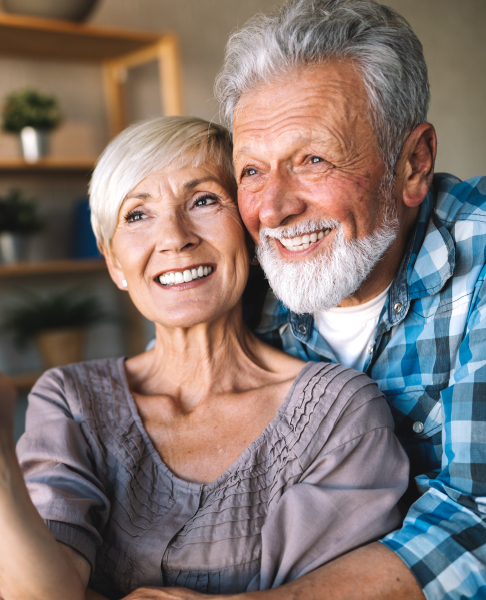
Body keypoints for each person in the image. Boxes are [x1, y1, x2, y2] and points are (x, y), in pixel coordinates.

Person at [0, 116, 409, 600]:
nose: (175, 237)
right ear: (114, 263)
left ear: (251, 233)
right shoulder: (71, 399)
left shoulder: (338, 411)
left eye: (204, 200)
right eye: (137, 215)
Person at [212, 0, 486, 599]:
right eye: (252, 171)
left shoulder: (482, 255)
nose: (274, 208)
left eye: (313, 159)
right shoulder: (233, 275)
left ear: (413, 163)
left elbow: (480, 521)